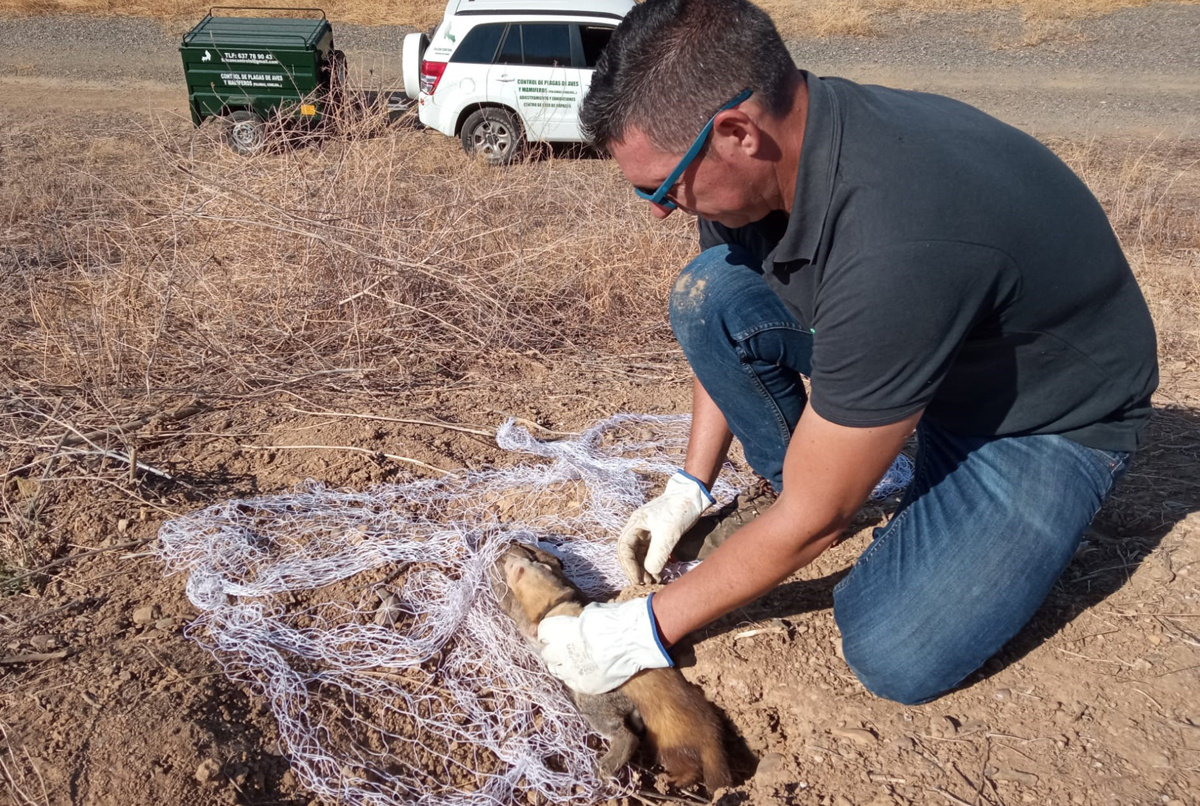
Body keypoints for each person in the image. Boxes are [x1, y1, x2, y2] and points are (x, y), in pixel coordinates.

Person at [537, 0, 1159, 705]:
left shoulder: (899, 236)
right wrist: (691, 485)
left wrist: (638, 632)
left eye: (662, 185)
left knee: (893, 648)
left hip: (1041, 419)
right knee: (711, 292)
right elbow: (722, 308)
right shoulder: (779, 155)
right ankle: (837, 474)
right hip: (930, 350)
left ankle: (886, 492)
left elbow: (817, 516)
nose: (657, 207)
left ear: (737, 132)